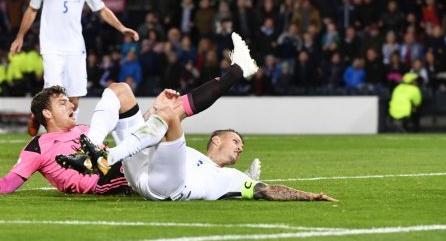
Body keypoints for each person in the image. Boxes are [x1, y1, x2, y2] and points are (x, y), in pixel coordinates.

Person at [0, 33, 260, 196]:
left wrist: (149, 113)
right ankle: (236, 73)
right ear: (46, 113)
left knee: (124, 91)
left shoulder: (85, 126)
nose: (71, 105)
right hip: (108, 178)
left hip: (119, 162)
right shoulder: (37, 147)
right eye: (62, 102)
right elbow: (10, 182)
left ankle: (232, 179)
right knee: (169, 118)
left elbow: (131, 137)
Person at [56, 52, 335, 202]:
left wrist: (309, 196)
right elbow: (151, 130)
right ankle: (93, 146)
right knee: (120, 89)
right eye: (236, 140)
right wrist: (155, 108)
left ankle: (106, 157)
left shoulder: (233, 179)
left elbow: (268, 190)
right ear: (215, 140)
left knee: (170, 117)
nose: (240, 147)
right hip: (139, 171)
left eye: (241, 145)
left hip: (168, 187)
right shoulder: (189, 154)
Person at [9, 0, 139, 130]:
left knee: (74, 101)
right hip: (51, 47)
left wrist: (121, 27)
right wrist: (20, 36)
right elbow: (32, 10)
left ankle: (66, 135)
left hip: (75, 48)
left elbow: (101, 9)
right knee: (53, 96)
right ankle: (50, 136)